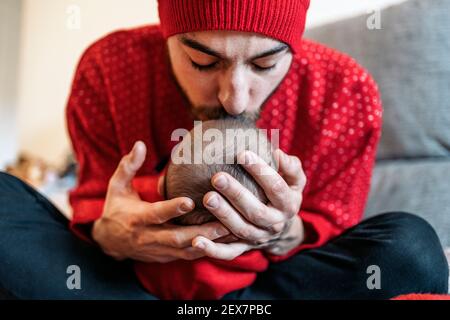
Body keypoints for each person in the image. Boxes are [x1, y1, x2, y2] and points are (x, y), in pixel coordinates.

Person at [0, 0, 448, 299]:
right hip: (129, 288)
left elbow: (333, 230)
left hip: (272, 292)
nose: (235, 98)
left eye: (264, 64)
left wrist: (282, 232)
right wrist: (110, 237)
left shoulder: (344, 91)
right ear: (166, 35)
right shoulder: (109, 68)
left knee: (410, 248)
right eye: (203, 62)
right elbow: (91, 210)